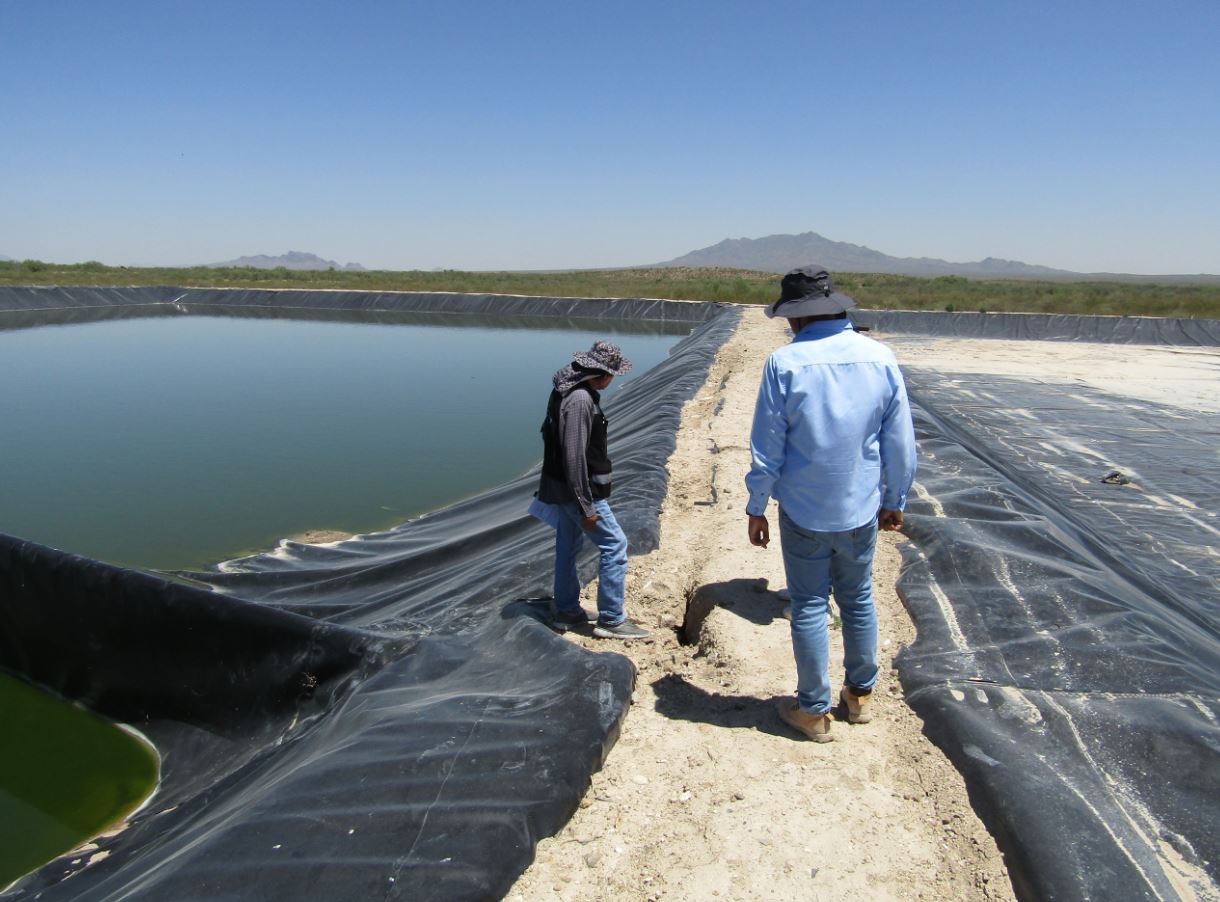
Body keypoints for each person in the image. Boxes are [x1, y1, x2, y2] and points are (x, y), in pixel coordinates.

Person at [745, 265, 916, 742]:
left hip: (804, 509)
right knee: (857, 599)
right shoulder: (880, 358)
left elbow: (768, 447)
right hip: (860, 506)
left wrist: (756, 506)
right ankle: (860, 696)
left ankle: (813, 711)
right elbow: (900, 442)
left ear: (797, 316)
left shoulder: (784, 364)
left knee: (809, 605)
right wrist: (895, 498)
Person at [534, 340, 651, 640]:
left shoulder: (565, 390)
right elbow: (574, 457)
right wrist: (586, 507)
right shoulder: (580, 400)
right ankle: (612, 619)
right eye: (612, 375)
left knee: (568, 545)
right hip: (578, 492)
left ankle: (566, 610)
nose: (612, 380)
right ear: (602, 375)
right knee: (615, 545)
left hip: (560, 488)